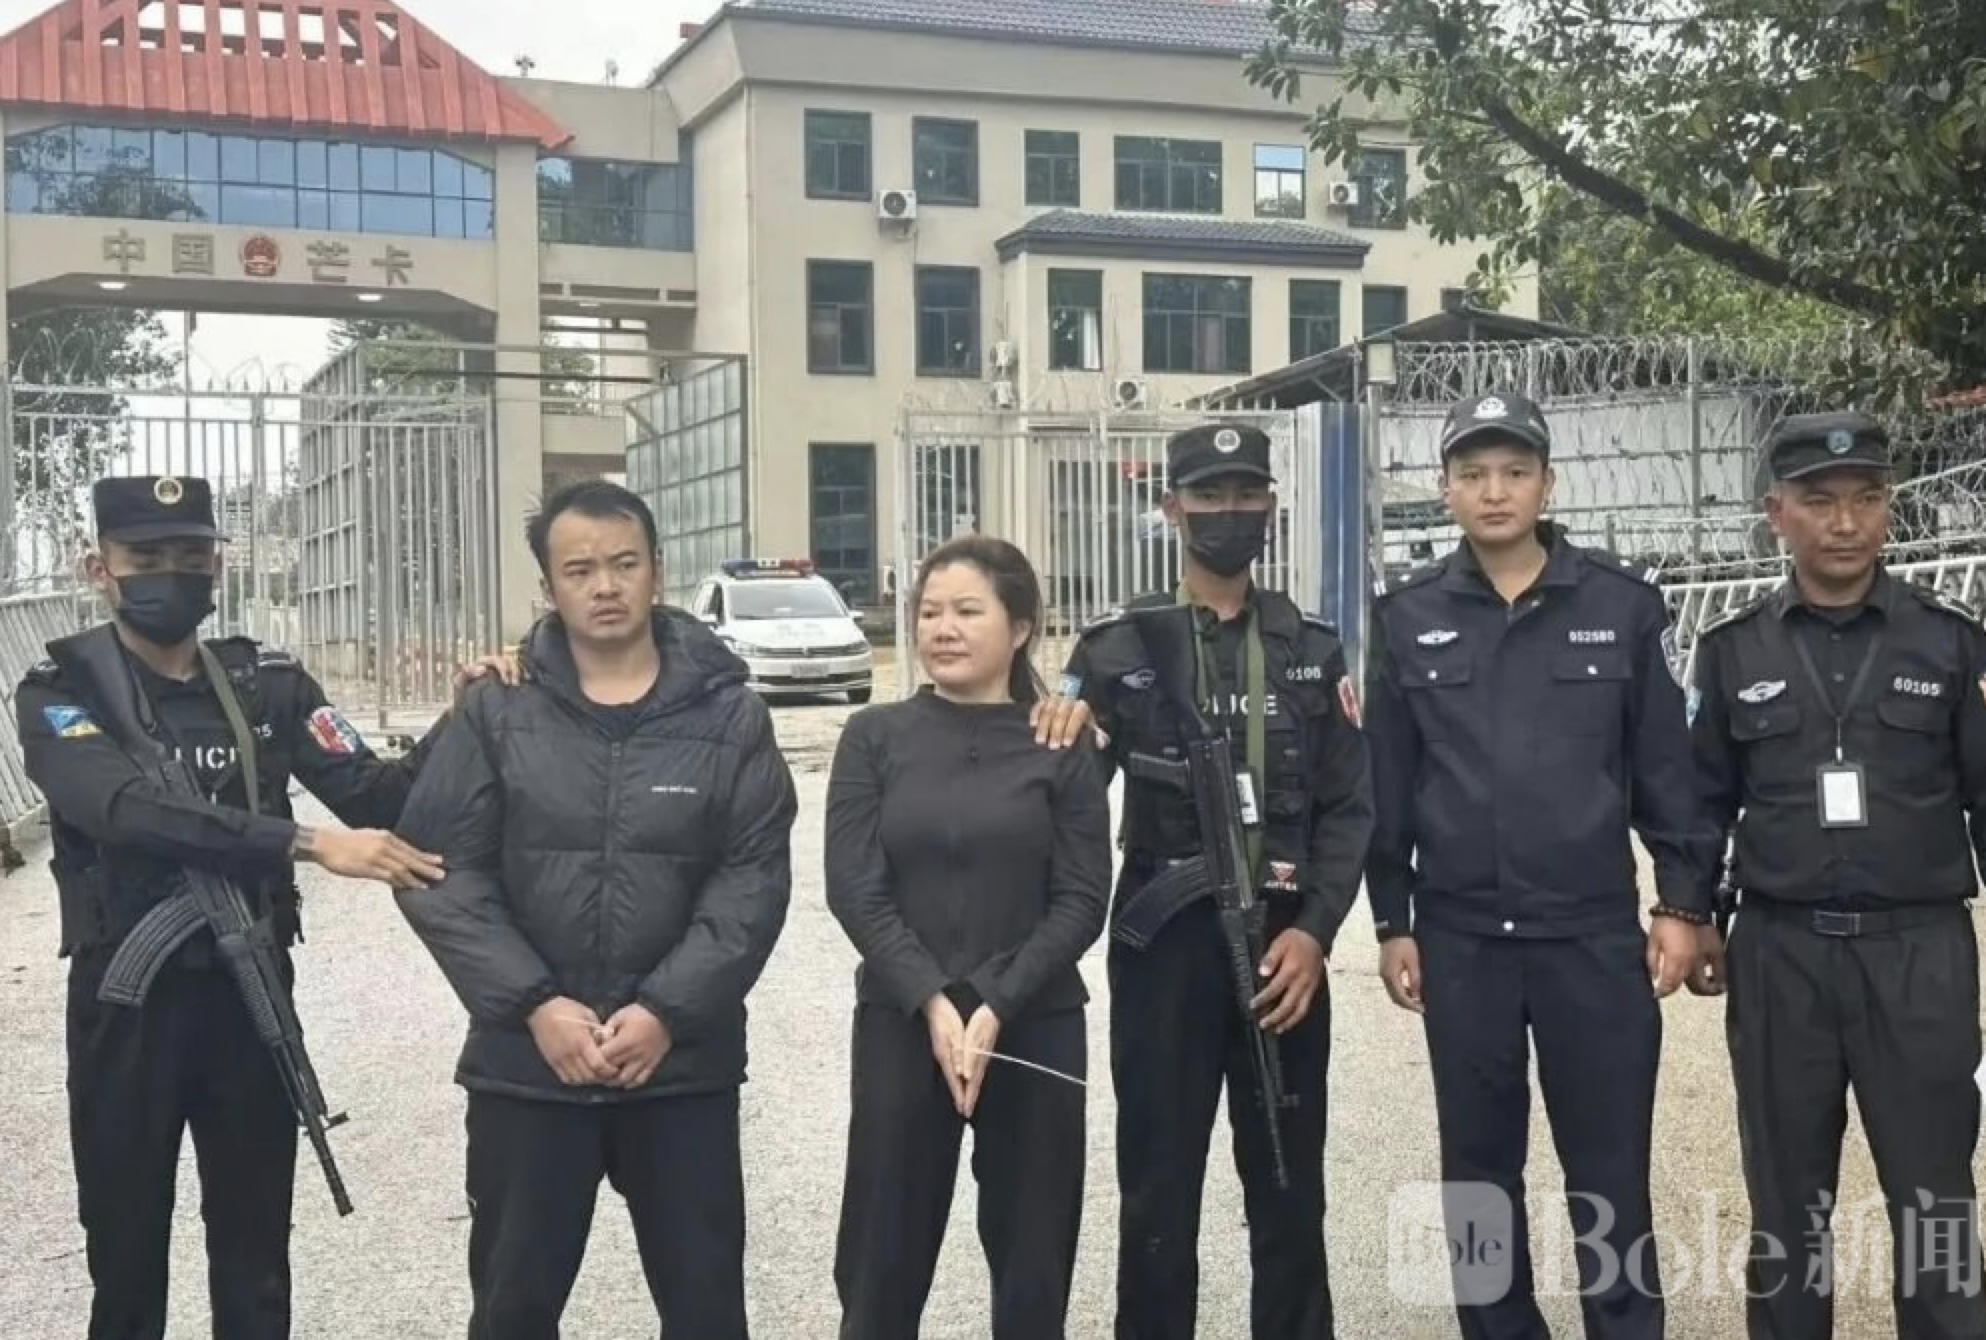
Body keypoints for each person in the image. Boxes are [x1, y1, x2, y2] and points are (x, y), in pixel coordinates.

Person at [15, 475, 447, 1340]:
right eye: (145, 557)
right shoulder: (62, 690)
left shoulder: (266, 684)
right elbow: (124, 811)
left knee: (255, 1258)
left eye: (190, 555)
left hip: (248, 991)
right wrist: (304, 843)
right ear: (99, 568)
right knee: (125, 1255)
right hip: (126, 1005)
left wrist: (466, 716)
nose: (170, 574)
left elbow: (380, 796)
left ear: (220, 563)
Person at [392, 479, 797, 1340]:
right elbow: (440, 871)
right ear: (549, 586)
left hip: (679, 1069)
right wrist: (537, 1005)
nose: (605, 586)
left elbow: (751, 883)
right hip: (527, 1066)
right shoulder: (495, 710)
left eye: (624, 564)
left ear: (658, 571)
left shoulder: (732, 717)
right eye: (580, 570)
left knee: (706, 1309)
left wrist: (665, 1012)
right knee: (512, 1307)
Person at [1363, 391, 1713, 1340]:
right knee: (1478, 1175)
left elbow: (1665, 771)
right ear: (1445, 490)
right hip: (1462, 938)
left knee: (1610, 1171)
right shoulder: (1407, 617)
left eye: (1515, 471)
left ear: (1547, 484)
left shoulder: (1621, 606)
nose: (1495, 491)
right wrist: (1392, 920)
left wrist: (1682, 901)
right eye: (1473, 474)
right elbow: (1388, 783)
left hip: (1589, 937)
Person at [1055, 422, 1373, 1340]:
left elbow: (1350, 807)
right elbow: (1065, 808)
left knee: (1288, 1185)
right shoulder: (1117, 649)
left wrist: (1316, 932)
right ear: (1172, 508)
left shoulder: (1311, 649)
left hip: (1283, 951)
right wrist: (1062, 740)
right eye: (1207, 496)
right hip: (1164, 949)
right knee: (1158, 1188)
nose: (1228, 512)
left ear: (1271, 506)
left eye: (1245, 495)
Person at [1690, 413, 1986, 1340]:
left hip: (1919, 954)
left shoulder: (1950, 641)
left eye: (1866, 498)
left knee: (1936, 1201)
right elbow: (1701, 803)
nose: (1846, 522)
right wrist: (1689, 913)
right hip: (1782, 954)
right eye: (1820, 502)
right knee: (1787, 1206)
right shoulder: (1733, 650)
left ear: (1889, 507)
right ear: (1777, 513)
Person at [825, 535, 1111, 1340]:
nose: (942, 628)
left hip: (1034, 1020)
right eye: (929, 613)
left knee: (1032, 1259)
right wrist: (930, 997)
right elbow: (855, 886)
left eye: (966, 611)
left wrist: (994, 1001)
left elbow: (1083, 897)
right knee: (880, 1257)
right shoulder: (874, 737)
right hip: (901, 1019)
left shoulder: (1060, 741)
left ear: (1019, 627)